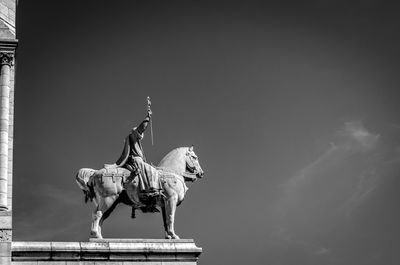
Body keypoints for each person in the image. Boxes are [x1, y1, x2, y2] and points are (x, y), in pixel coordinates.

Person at [115, 109, 159, 195]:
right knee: (150, 169)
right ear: (135, 132)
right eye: (139, 133)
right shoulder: (133, 136)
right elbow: (142, 127)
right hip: (136, 160)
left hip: (137, 160)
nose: (141, 135)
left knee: (148, 168)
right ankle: (150, 188)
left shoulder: (135, 141)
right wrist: (148, 117)